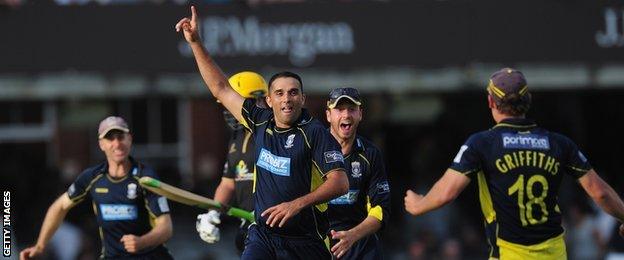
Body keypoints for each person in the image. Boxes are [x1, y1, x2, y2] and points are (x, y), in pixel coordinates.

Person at [175, 6, 349, 259]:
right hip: (263, 236)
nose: (286, 99)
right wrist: (195, 42)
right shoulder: (258, 121)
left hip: (305, 238)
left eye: (293, 93)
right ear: (269, 100)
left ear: (302, 98)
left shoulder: (315, 133)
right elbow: (221, 88)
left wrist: (297, 204)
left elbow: (340, 183)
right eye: (279, 93)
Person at [404, 68, 624, 259]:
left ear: (491, 101)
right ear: (528, 100)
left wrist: (419, 204)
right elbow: (599, 192)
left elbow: (447, 192)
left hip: (508, 254)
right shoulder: (558, 143)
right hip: (554, 255)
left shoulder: (482, 144)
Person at [20, 116, 173, 260]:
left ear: (129, 139)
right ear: (101, 144)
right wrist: (40, 246)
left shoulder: (145, 177)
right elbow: (59, 207)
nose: (117, 143)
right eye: (110, 138)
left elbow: (166, 228)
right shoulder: (92, 177)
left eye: (121, 137)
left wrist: (141, 242)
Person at [196, 71, 268, 254]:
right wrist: (213, 213)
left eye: (236, 102)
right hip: (247, 226)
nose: (230, 109)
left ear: (260, 101)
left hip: (274, 228)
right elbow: (228, 183)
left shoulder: (274, 135)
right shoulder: (236, 137)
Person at [324, 87, 391, 259]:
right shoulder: (311, 149)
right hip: (318, 243)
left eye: (352, 109)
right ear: (328, 115)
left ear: (360, 114)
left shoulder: (370, 153)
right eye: (339, 109)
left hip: (359, 245)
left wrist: (352, 235)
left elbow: (381, 209)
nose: (346, 115)